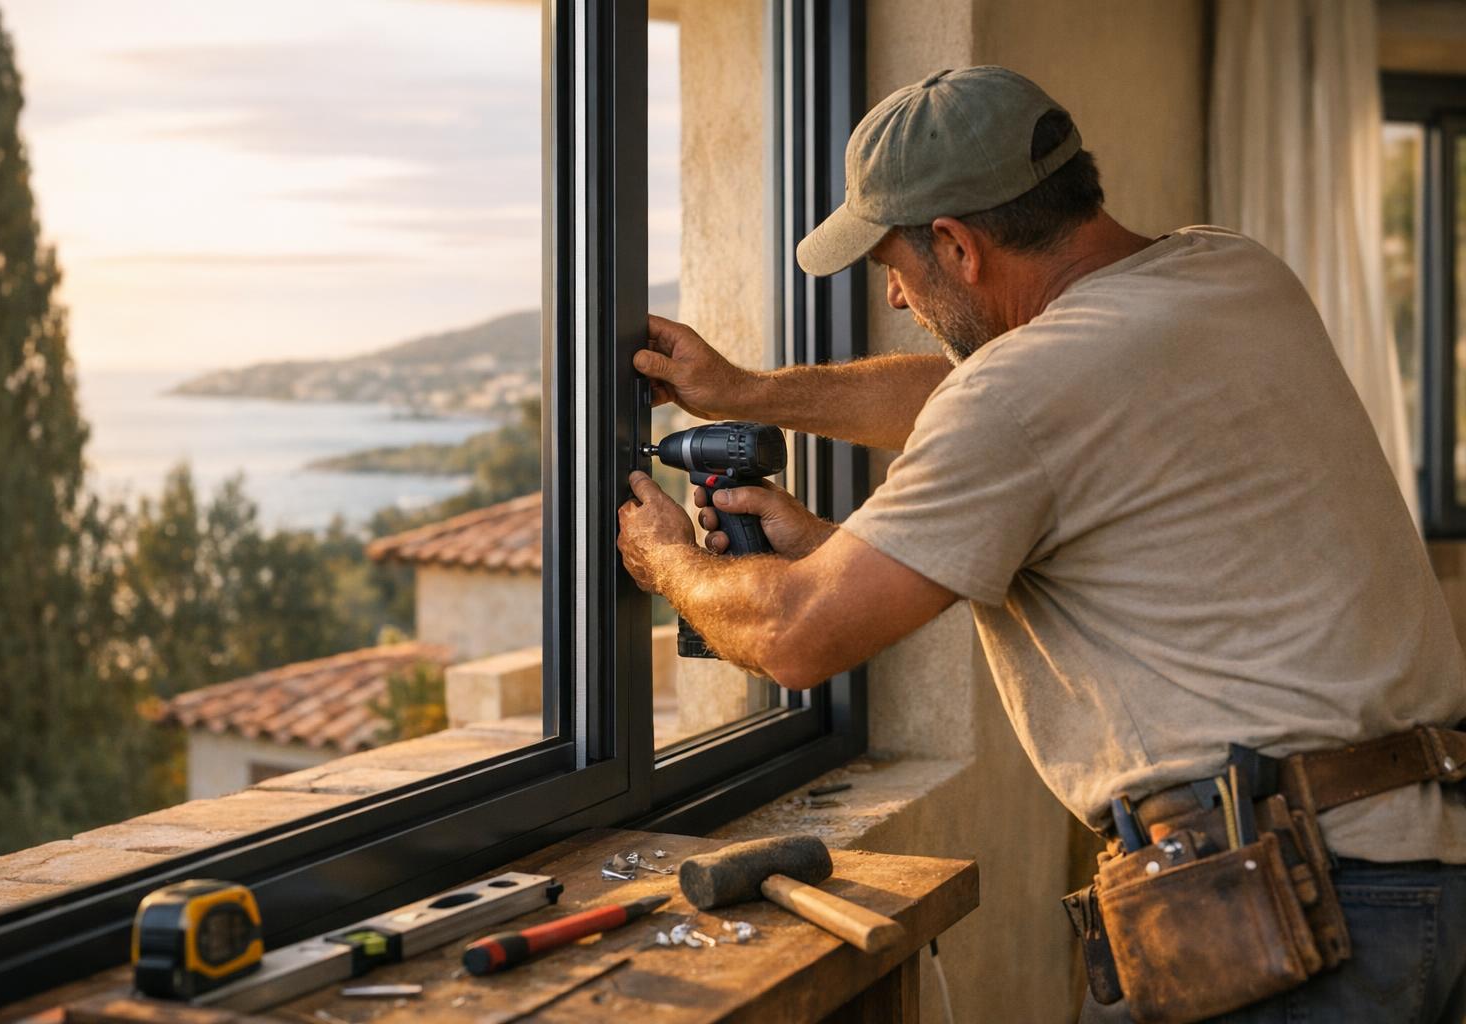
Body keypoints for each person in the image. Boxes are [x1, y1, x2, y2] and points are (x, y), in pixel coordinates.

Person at [615, 66, 1466, 1022]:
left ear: (956, 245)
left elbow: (798, 636)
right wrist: (754, 396)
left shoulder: (1024, 392)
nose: (896, 297)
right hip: (1414, 864)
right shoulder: (1230, 272)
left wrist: (665, 561)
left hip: (1286, 904)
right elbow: (997, 411)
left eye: (893, 263)